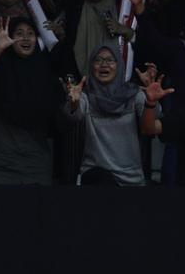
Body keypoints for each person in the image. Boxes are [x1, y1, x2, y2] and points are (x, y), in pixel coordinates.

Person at [0, 16, 67, 185]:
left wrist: (73, 104)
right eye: (19, 33)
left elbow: (62, 122)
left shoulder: (45, 74)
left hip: (35, 166)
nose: (25, 37)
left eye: (30, 33)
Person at [60, 44, 148, 186]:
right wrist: (73, 103)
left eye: (110, 60)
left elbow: (153, 119)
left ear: (119, 65)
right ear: (91, 66)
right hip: (95, 177)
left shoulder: (133, 94)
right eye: (98, 60)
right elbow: (72, 116)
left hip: (131, 179)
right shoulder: (85, 96)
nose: (103, 65)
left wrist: (151, 100)